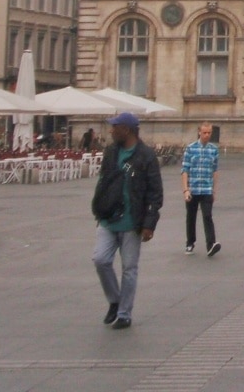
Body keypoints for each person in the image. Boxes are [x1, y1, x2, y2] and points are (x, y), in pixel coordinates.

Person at [91, 112, 163, 330]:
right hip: (108, 219)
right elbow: (103, 182)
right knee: (100, 260)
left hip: (133, 222)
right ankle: (115, 300)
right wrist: (99, 206)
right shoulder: (111, 152)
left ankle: (124, 313)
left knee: (129, 268)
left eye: (115, 127)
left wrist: (149, 223)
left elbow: (155, 193)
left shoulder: (146, 156)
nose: (111, 131)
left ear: (128, 130)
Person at [181, 122, 220, 257]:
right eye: (204, 132)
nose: (207, 135)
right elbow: (185, 170)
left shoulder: (214, 150)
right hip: (193, 188)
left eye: (209, 133)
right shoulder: (190, 148)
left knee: (207, 216)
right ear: (199, 132)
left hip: (207, 189)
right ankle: (190, 242)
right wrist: (185, 190)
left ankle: (211, 244)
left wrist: (214, 190)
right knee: (191, 217)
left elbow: (215, 170)